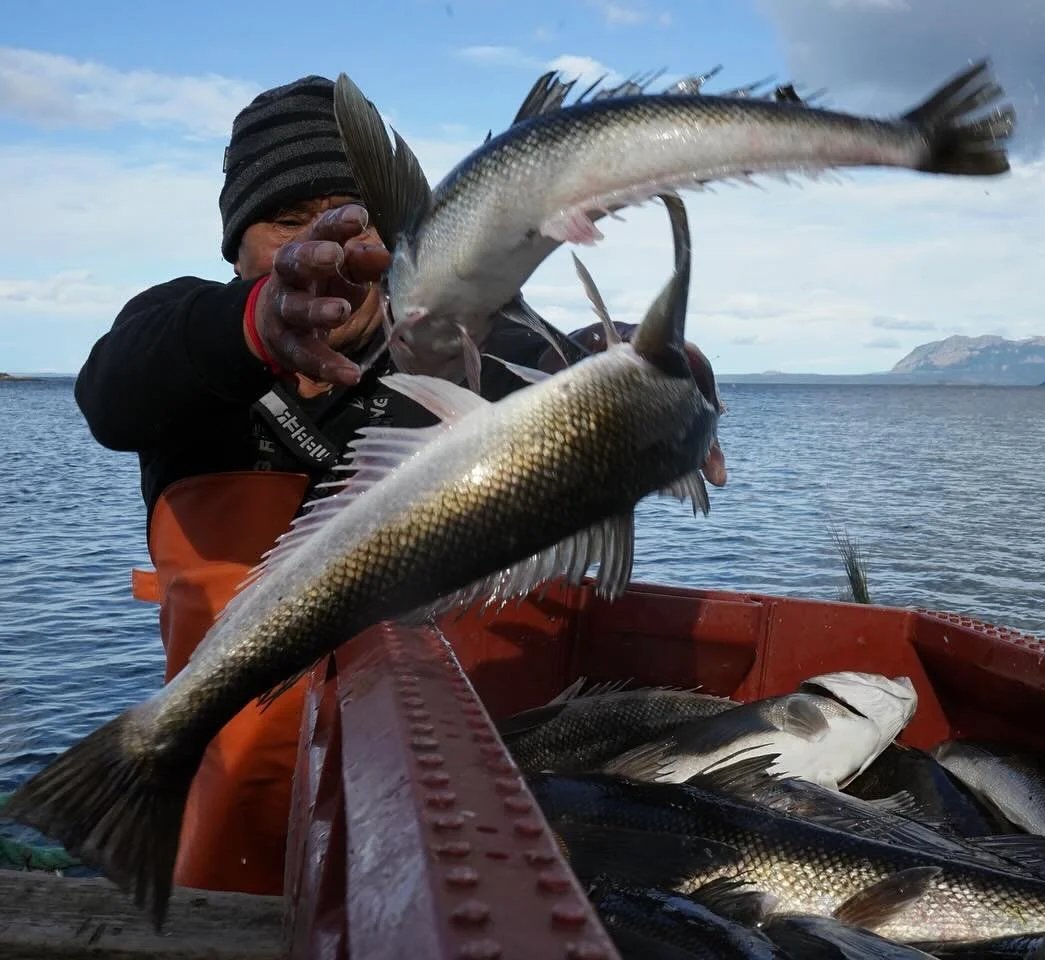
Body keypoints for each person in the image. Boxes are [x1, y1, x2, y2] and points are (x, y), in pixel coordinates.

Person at [72, 74, 725, 898]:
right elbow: (112, 388)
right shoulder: (189, 340)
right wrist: (257, 327)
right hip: (237, 845)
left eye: (353, 214)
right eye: (287, 222)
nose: (328, 244)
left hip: (441, 839)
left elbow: (570, 377)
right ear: (238, 248)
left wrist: (654, 379)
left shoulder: (458, 354)